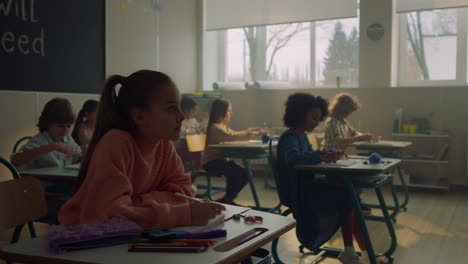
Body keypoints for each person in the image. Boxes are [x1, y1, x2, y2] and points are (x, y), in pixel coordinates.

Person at [59, 70, 225, 230]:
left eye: (179, 107)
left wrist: (136, 203)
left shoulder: (163, 143)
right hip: (87, 241)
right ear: (139, 116)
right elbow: (112, 218)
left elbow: (183, 191)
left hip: (136, 235)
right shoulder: (116, 143)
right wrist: (184, 214)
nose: (181, 116)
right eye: (170, 108)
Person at [277, 93, 373, 264]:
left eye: (318, 119)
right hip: (297, 192)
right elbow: (294, 159)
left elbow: (309, 155)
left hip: (307, 187)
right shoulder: (288, 138)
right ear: (299, 115)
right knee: (348, 196)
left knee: (350, 196)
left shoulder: (302, 136)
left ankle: (360, 251)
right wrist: (322, 157)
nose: (316, 123)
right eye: (313, 118)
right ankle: (355, 251)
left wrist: (326, 153)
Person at [203, 99, 266, 205]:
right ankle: (228, 199)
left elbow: (235, 133)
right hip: (211, 163)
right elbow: (232, 137)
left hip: (221, 161)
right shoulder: (215, 127)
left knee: (246, 174)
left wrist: (251, 131)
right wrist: (251, 133)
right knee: (236, 173)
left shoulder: (222, 126)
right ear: (220, 112)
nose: (230, 113)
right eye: (228, 111)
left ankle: (227, 198)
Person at [11, 98, 81, 170]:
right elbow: (16, 160)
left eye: (68, 126)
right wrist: (53, 146)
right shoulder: (39, 140)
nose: (65, 130)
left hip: (63, 179)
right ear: (47, 124)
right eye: (60, 126)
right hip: (42, 180)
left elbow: (78, 155)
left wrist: (85, 152)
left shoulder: (68, 139)